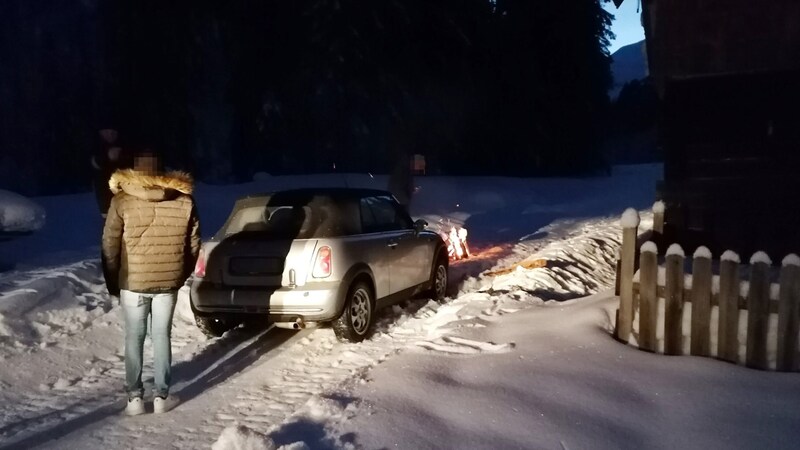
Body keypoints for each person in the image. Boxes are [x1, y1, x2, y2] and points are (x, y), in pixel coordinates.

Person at [102, 151, 201, 416]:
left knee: (134, 338)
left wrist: (114, 279)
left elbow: (110, 244)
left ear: (134, 172)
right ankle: (161, 396)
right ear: (163, 172)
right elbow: (193, 245)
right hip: (167, 282)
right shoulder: (184, 200)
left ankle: (134, 399)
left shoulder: (122, 201)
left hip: (132, 281)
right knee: (161, 337)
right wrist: (179, 275)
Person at [92, 127, 132, 218]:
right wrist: (106, 157)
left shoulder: (126, 146)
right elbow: (93, 165)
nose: (110, 134)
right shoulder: (95, 147)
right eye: (106, 131)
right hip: (107, 205)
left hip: (129, 202)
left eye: (113, 131)